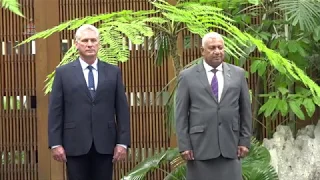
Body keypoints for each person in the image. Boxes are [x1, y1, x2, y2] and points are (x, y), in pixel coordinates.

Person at [48, 24, 131, 180]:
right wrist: (55, 143)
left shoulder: (113, 72)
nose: (89, 44)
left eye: (93, 40)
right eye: (85, 40)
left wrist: (123, 143)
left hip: (105, 144)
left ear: (99, 44)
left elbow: (122, 110)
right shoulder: (63, 73)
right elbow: (55, 111)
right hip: (74, 143)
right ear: (76, 44)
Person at [175, 32, 252, 180]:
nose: (217, 51)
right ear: (202, 51)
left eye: (220, 47)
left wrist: (244, 141)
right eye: (212, 48)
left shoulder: (238, 74)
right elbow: (181, 114)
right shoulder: (187, 76)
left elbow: (245, 111)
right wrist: (184, 145)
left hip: (230, 146)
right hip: (200, 148)